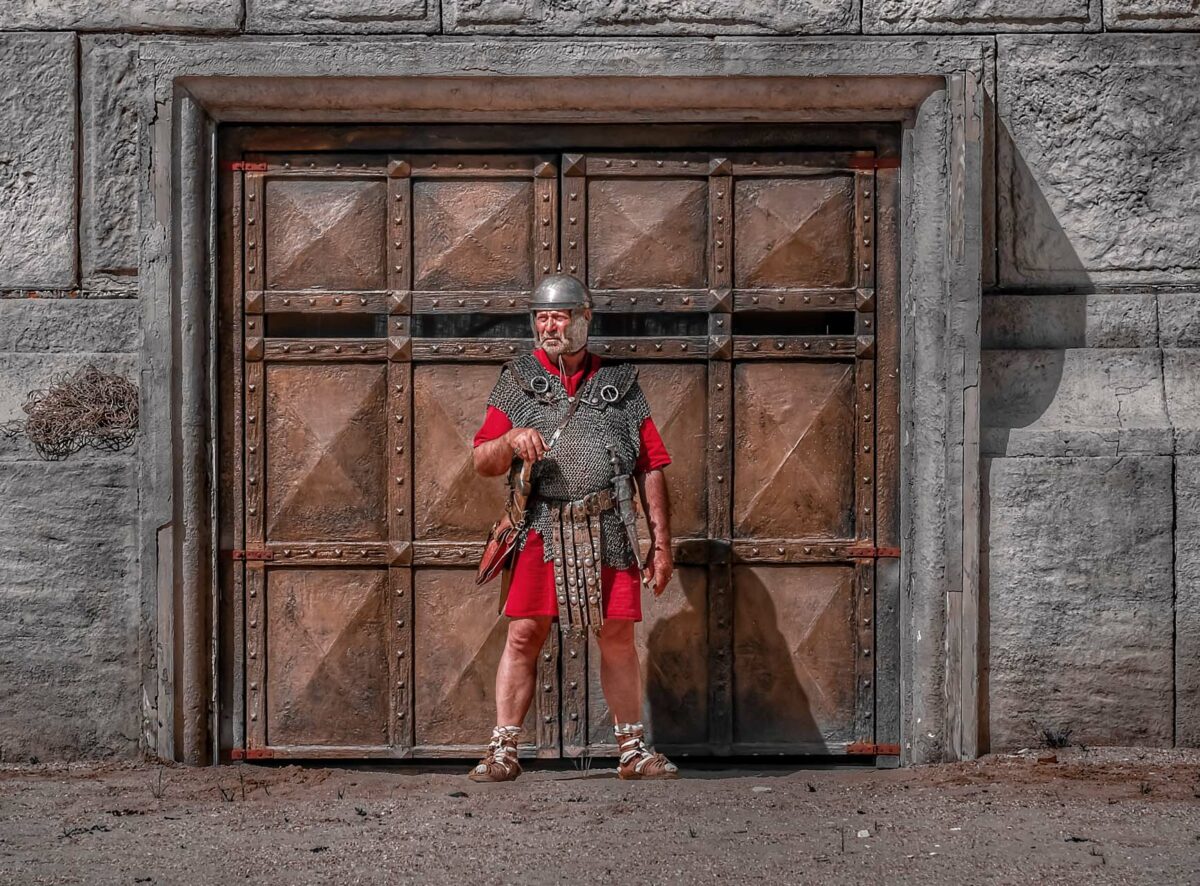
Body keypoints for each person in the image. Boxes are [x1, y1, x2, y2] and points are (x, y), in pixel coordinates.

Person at [468, 274, 679, 782]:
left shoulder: (620, 385)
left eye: (559, 317)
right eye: (541, 318)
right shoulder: (518, 380)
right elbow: (481, 460)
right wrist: (511, 440)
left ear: (585, 319)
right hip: (540, 526)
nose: (549, 327)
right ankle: (503, 749)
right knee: (524, 634)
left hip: (608, 527)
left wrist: (661, 544)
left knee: (617, 636)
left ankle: (631, 750)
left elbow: (650, 464)